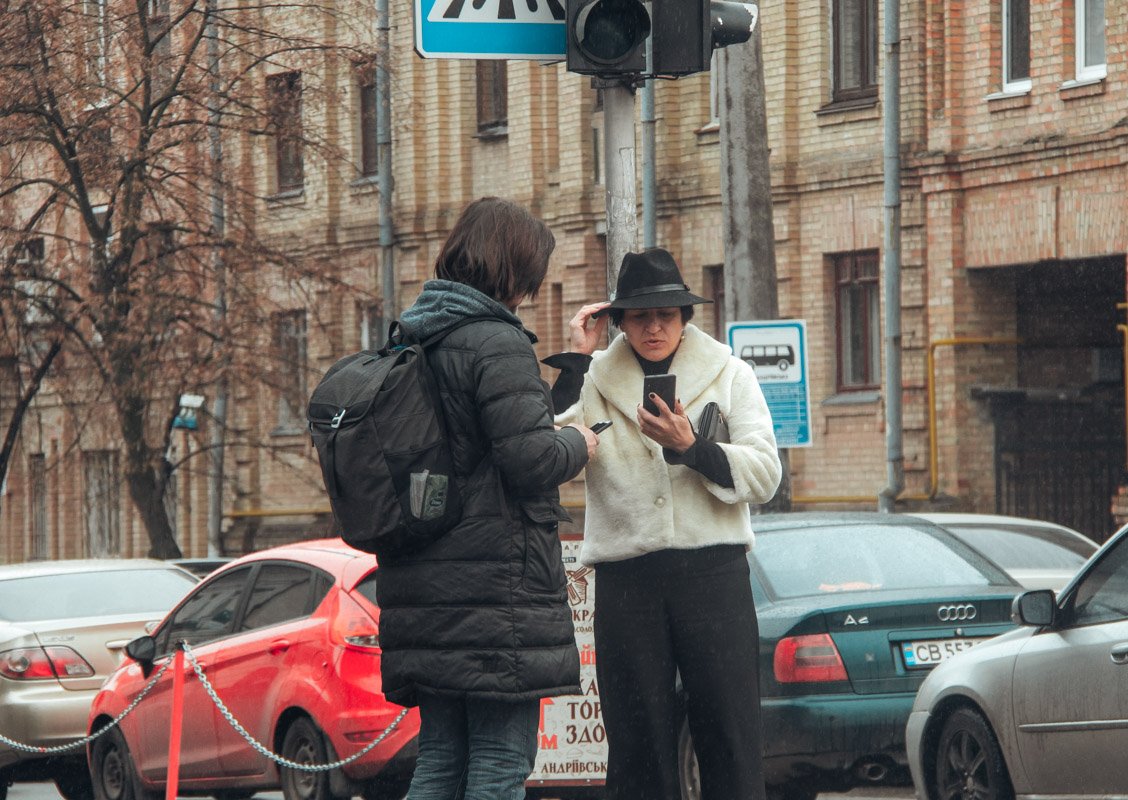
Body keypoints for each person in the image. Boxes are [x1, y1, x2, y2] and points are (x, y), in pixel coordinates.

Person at [375, 197, 600, 800]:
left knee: (440, 762)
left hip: (425, 587)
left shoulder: (414, 334)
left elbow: (496, 434)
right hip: (495, 593)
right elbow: (531, 459)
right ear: (514, 267)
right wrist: (580, 444)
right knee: (501, 763)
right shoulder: (497, 341)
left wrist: (575, 364)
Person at [546, 247, 782, 800]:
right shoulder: (595, 378)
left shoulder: (730, 372)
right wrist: (577, 358)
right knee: (637, 744)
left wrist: (693, 448)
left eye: (666, 315)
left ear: (685, 317)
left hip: (713, 573)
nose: (653, 327)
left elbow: (766, 474)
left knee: (730, 734)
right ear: (619, 322)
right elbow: (548, 453)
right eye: (639, 316)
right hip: (628, 580)